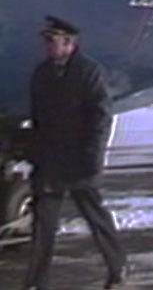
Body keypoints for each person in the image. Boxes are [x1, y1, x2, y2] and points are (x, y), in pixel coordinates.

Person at [22, 16, 128, 290]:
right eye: (47, 41)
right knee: (43, 226)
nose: (48, 46)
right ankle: (36, 282)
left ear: (69, 43)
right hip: (49, 162)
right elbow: (38, 118)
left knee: (96, 218)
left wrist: (93, 158)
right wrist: (32, 153)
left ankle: (117, 268)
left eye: (53, 41)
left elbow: (100, 118)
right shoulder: (42, 73)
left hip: (79, 160)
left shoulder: (88, 72)